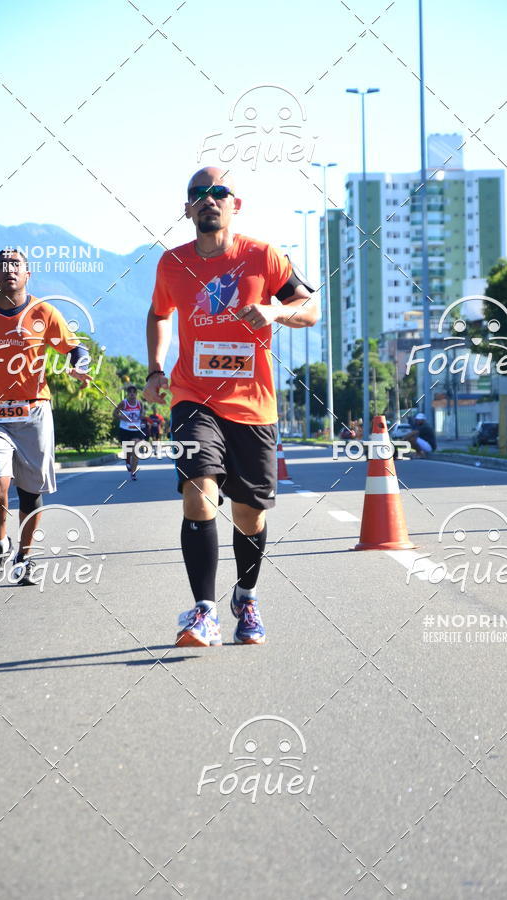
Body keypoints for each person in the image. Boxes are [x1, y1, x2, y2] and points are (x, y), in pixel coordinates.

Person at [144, 167, 319, 647]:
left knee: (249, 515)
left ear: (234, 204)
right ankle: (204, 612)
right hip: (193, 397)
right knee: (198, 493)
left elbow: (310, 309)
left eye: (219, 192)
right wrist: (156, 369)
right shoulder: (172, 264)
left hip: (253, 405)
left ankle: (246, 597)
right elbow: (159, 314)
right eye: (198, 193)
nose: (209, 199)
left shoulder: (264, 256)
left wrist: (275, 310)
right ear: (187, 209)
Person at [0, 248, 91, 584]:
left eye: (15, 265)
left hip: (34, 413)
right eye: (2, 266)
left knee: (31, 493)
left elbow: (76, 347)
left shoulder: (44, 311)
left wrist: (80, 365)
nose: (9, 270)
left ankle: (25, 555)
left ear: (27, 274)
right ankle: (0, 543)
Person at [114, 384, 144, 479]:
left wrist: (141, 416)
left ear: (136, 394)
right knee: (128, 450)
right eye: (130, 392)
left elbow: (142, 413)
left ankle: (133, 472)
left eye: (134, 392)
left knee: (135, 451)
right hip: (125, 429)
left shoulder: (139, 403)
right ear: (127, 394)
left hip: (136, 429)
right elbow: (115, 413)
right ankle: (127, 461)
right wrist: (122, 417)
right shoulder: (123, 403)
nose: (132, 394)